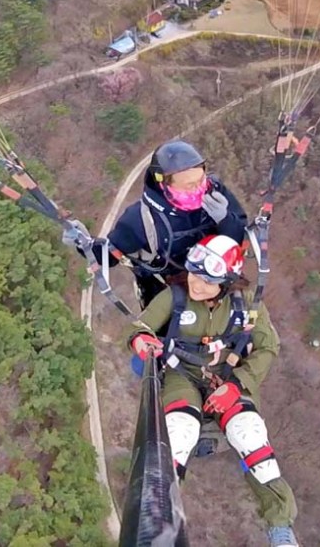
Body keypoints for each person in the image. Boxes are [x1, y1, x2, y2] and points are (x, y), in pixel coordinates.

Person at [128, 234, 299, 547]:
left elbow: (268, 346)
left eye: (208, 280)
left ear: (226, 281)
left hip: (229, 377)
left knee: (249, 434)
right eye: (195, 274)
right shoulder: (175, 297)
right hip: (182, 375)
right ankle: (160, 520)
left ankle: (280, 525)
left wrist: (237, 384)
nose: (197, 284)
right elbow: (140, 326)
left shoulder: (245, 303)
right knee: (178, 433)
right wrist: (141, 339)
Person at [66, 139, 248, 309]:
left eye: (201, 181)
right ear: (164, 185)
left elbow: (240, 238)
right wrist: (83, 243)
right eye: (189, 186)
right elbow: (110, 255)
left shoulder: (214, 193)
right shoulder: (139, 220)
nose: (199, 189)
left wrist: (225, 220)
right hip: (168, 294)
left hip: (217, 281)